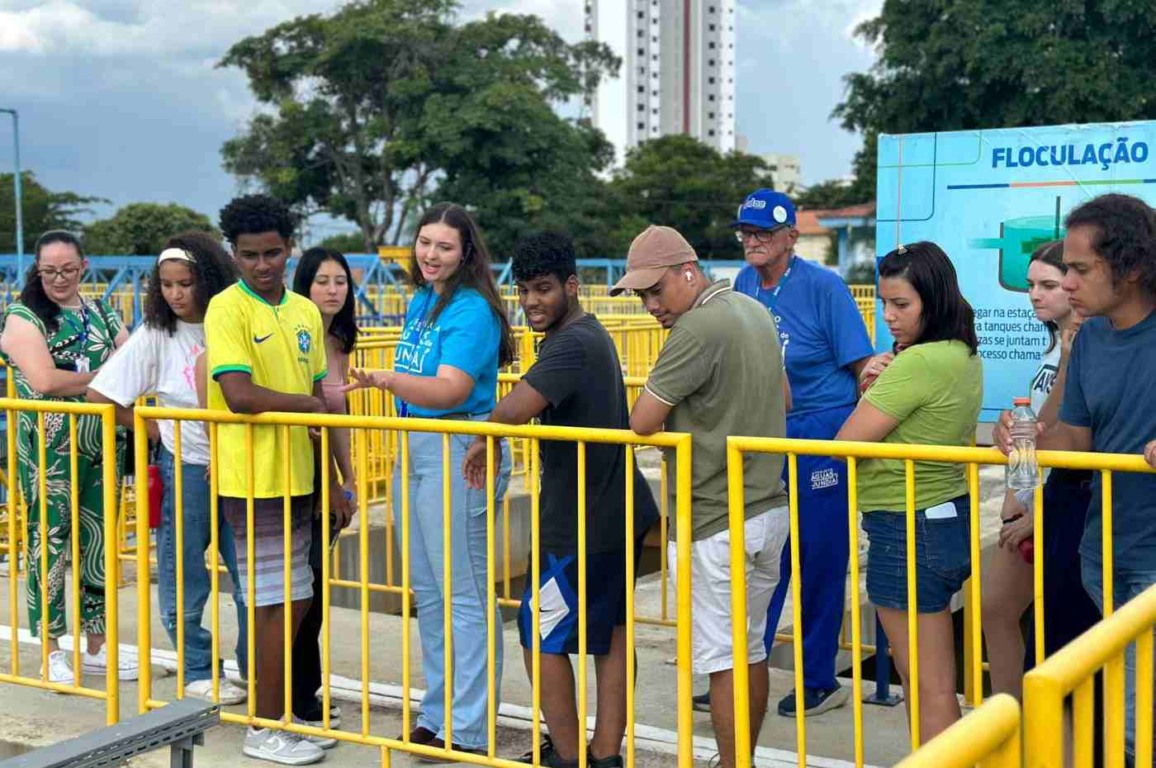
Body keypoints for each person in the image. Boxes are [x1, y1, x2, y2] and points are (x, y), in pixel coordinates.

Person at [461, 232, 659, 768]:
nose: (531, 302)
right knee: (610, 634)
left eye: (543, 289)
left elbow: (513, 408)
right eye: (524, 290)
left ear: (572, 286)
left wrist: (483, 437)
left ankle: (570, 757)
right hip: (616, 510)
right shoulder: (589, 334)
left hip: (579, 522)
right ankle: (606, 755)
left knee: (539, 634)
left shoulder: (571, 344)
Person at [344, 202, 513, 759]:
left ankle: (470, 728)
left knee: (465, 594)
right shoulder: (424, 299)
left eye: (444, 246)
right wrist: (393, 385)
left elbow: (449, 388)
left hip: (458, 445)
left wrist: (386, 380)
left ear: (466, 252)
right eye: (424, 242)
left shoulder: (472, 309)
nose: (431, 254)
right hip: (416, 445)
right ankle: (437, 716)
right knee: (432, 595)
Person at [994, 193, 1156, 762]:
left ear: (1131, 268)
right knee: (1113, 720)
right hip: (1101, 556)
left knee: (1134, 732)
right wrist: (1026, 438)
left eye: (1081, 270)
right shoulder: (1090, 339)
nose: (1068, 285)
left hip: (1150, 564)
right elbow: (1075, 444)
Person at [623, 225, 788, 768]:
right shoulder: (754, 311)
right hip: (768, 509)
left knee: (722, 661)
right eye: (642, 296)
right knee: (752, 648)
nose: (651, 306)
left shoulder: (696, 328)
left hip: (716, 520)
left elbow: (642, 420)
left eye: (656, 291)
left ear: (688, 272)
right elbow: (785, 397)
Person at [206, 194, 351, 766]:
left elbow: (319, 396)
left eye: (272, 253)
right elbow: (239, 394)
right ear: (233, 254)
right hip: (253, 477)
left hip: (300, 475)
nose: (262, 265)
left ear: (289, 248)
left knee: (297, 597)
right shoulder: (226, 308)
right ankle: (263, 726)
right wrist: (306, 406)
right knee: (272, 602)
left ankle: (282, 715)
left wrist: (333, 480)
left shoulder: (304, 312)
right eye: (249, 255)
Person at [722, 189, 873, 717]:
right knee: (762, 557)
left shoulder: (824, 287)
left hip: (819, 433)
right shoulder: (743, 284)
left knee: (819, 557)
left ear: (791, 237)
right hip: (765, 434)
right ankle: (741, 674)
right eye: (746, 233)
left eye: (763, 233)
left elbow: (862, 366)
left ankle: (818, 679)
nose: (753, 241)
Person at [87, 232, 248, 704]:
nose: (176, 294)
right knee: (185, 571)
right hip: (188, 464)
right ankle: (197, 667)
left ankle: (254, 664)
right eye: (167, 284)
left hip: (240, 461)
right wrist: (152, 428)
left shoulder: (231, 319)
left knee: (250, 572)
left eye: (186, 284)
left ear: (209, 280)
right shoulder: (157, 333)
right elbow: (101, 394)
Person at [835, 242, 982, 742]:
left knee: (926, 682)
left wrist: (873, 388)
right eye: (884, 303)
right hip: (941, 517)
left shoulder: (918, 362)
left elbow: (846, 443)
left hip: (907, 526)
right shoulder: (961, 353)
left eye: (902, 304)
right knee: (928, 679)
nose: (889, 316)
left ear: (932, 301)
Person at [0, 230, 137, 685]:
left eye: (68, 269)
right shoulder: (23, 316)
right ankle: (52, 647)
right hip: (49, 451)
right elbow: (44, 381)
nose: (59, 279)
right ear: (37, 271)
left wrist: (101, 378)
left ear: (83, 266)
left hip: (102, 445)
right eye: (49, 271)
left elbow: (134, 361)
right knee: (50, 542)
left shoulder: (101, 311)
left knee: (98, 544)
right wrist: (105, 378)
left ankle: (96, 644)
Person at [981, 241, 1099, 701]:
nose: (1035, 294)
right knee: (996, 609)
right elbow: (1041, 427)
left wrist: (1040, 510)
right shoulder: (1057, 345)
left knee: (1048, 629)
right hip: (1034, 500)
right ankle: (1011, 722)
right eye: (1030, 284)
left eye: (1048, 284)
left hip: (1061, 505)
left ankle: (1028, 722)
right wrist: (1008, 429)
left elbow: (1077, 438)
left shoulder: (1091, 348)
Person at [290, 247, 360, 736]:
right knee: (296, 589)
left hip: (324, 476)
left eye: (340, 281)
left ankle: (304, 689)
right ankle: (291, 693)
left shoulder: (336, 341)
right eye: (322, 281)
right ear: (304, 286)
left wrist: (349, 477)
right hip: (297, 472)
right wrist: (329, 485)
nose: (333, 290)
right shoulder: (299, 336)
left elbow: (336, 418)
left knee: (311, 587)